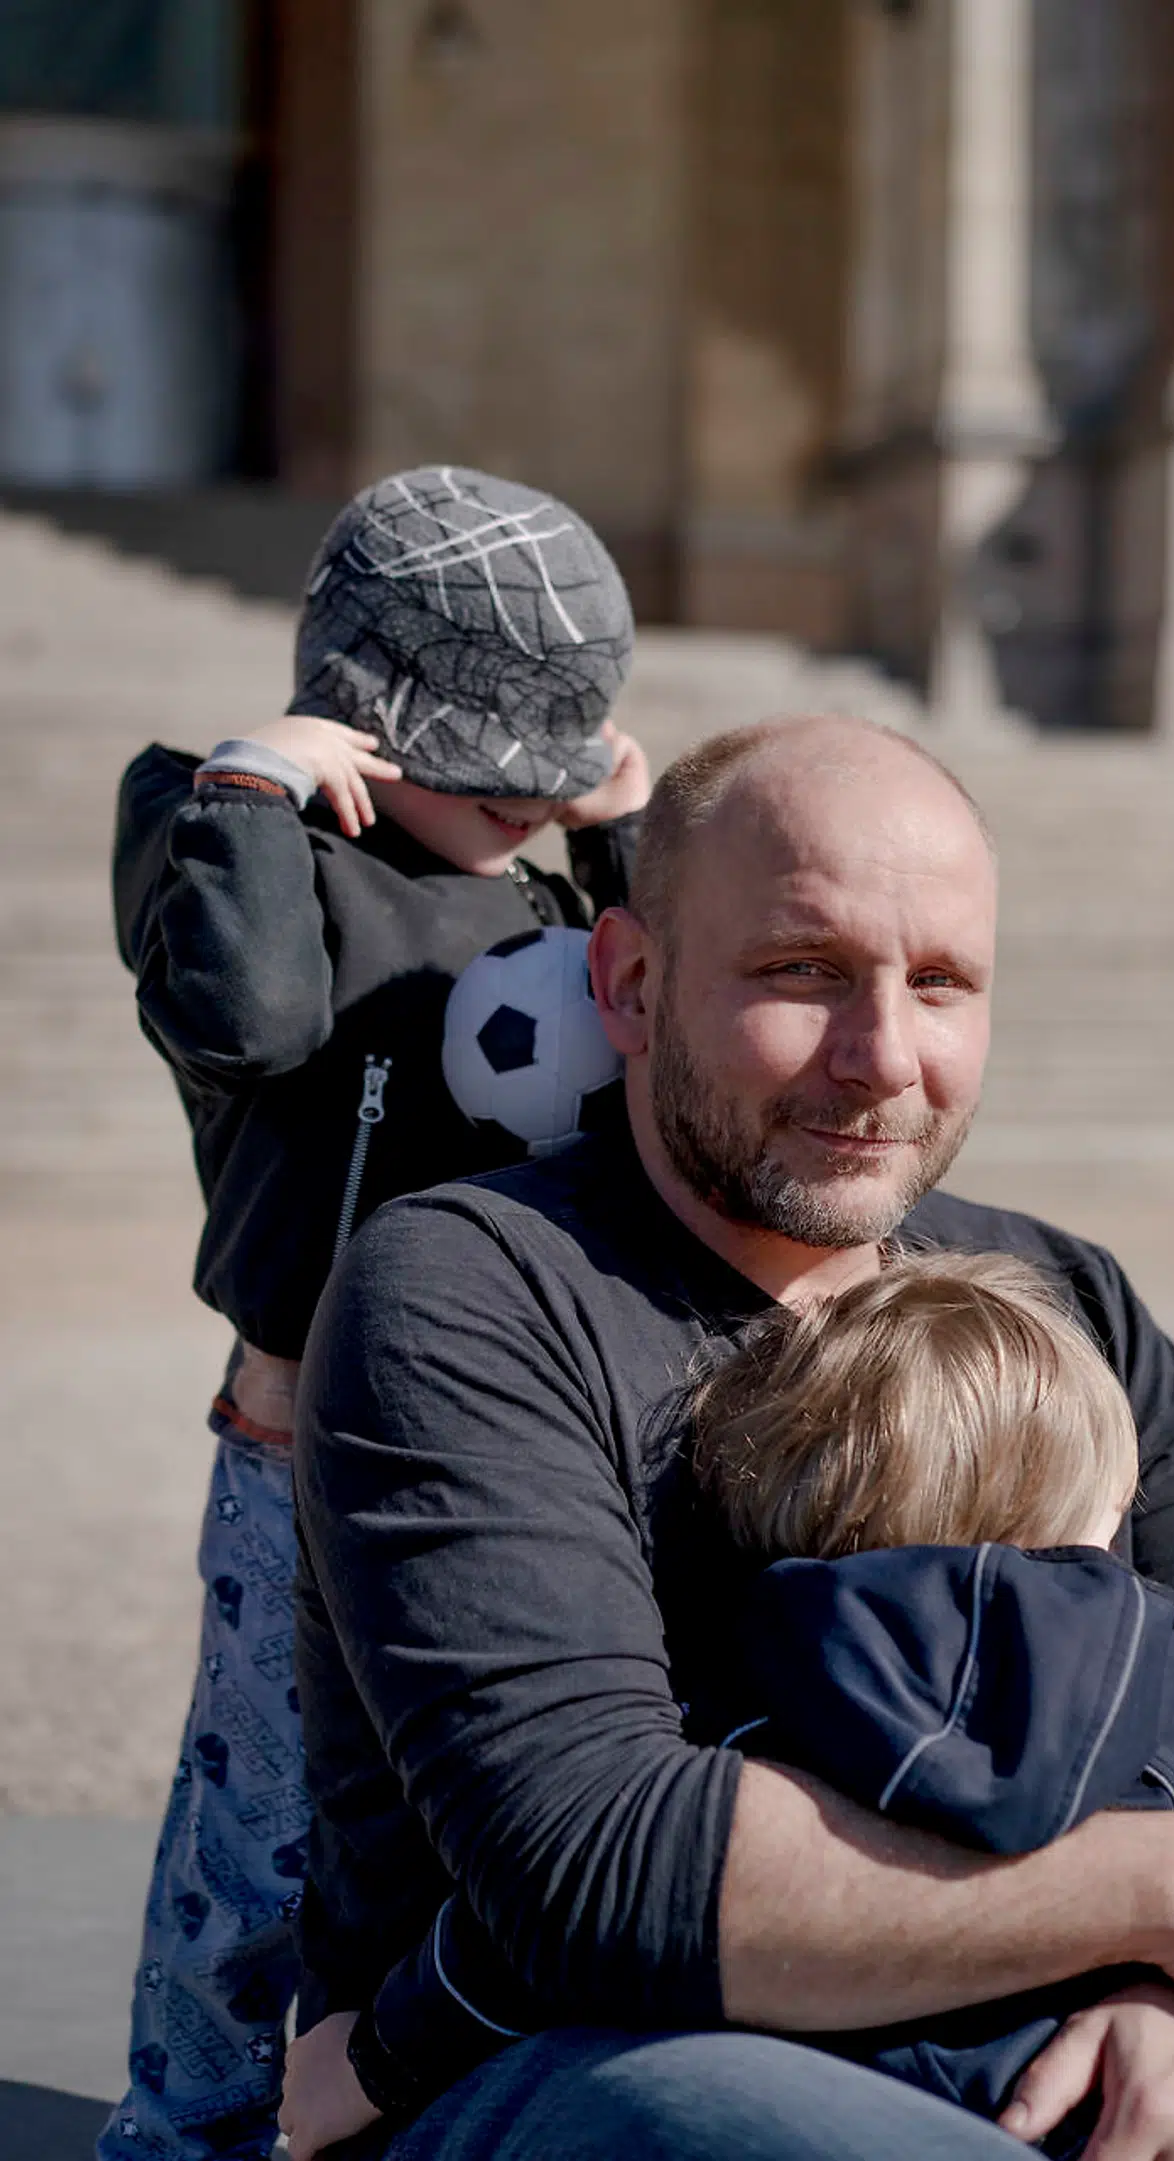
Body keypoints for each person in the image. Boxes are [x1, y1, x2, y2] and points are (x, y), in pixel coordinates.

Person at [282, 714, 1174, 2161]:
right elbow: (593, 1867)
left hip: (1099, 2012)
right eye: (803, 973)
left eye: (941, 984)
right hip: (615, 2052)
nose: (882, 1057)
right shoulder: (465, 1287)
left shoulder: (1059, 1295)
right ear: (632, 983)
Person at [97, 467, 650, 2161]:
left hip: (510, 1421)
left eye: (537, 774)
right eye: (480, 769)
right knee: (258, 1824)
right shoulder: (228, 836)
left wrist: (617, 833)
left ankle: (374, 2118)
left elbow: (660, 1023)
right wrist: (259, 791)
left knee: (440, 1818)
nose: (514, 801)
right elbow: (251, 1025)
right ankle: (180, 2131)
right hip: (303, 1421)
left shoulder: (544, 897)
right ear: (361, 721)